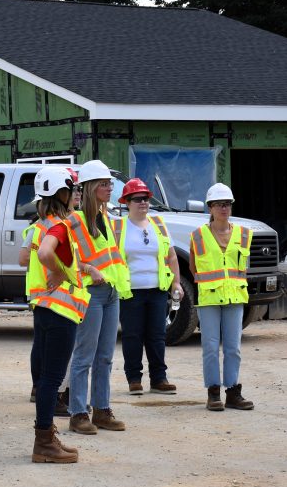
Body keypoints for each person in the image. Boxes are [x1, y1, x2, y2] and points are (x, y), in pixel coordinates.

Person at [28, 165, 90, 462]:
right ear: (62, 194)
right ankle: (44, 443)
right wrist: (63, 273)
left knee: (45, 379)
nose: (76, 194)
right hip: (60, 312)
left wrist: (73, 269)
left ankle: (47, 437)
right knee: (52, 380)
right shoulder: (61, 226)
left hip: (45, 308)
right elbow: (44, 254)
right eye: (74, 190)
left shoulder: (46, 223)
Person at [65, 159, 131, 434]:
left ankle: (102, 409)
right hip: (90, 293)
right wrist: (87, 268)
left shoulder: (106, 219)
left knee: (105, 356)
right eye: (104, 184)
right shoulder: (74, 221)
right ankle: (78, 413)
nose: (109, 188)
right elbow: (63, 257)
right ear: (91, 188)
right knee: (84, 355)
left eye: (110, 183)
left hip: (111, 292)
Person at [190, 183, 255, 412]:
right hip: (209, 298)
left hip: (235, 297)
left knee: (233, 347)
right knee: (209, 346)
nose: (223, 208)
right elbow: (193, 266)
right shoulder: (198, 236)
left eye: (226, 204)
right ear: (210, 208)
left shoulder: (244, 234)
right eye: (218, 204)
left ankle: (233, 391)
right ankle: (213, 392)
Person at [114, 178, 180, 395]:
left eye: (146, 198)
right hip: (130, 291)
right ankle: (134, 379)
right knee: (133, 335)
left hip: (157, 290)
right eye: (138, 199)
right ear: (126, 202)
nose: (143, 202)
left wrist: (176, 283)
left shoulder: (158, 225)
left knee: (157, 335)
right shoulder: (118, 228)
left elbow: (171, 256)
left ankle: (159, 378)